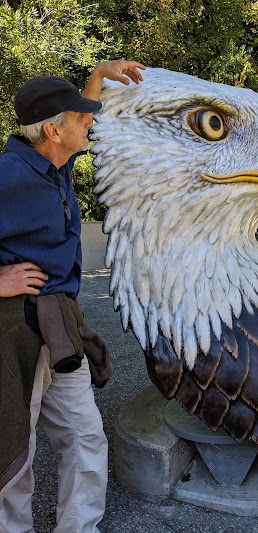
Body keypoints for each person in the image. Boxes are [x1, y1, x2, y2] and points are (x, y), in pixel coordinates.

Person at [0, 59, 146, 533]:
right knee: (15, 450)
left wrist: (99, 76)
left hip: (60, 327)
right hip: (14, 332)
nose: (92, 121)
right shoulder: (7, 176)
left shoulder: (54, 161)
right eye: (82, 117)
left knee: (85, 437)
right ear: (52, 129)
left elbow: (79, 114)